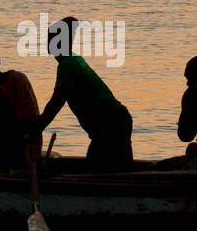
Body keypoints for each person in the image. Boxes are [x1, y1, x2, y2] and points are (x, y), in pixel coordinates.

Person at [36, 16, 133, 171]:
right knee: (121, 170)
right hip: (118, 119)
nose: (47, 43)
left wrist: (36, 129)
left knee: (97, 171)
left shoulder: (67, 65)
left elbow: (56, 102)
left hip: (110, 125)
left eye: (50, 39)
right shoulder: (74, 59)